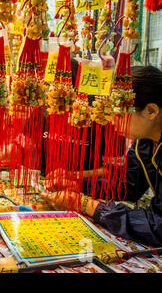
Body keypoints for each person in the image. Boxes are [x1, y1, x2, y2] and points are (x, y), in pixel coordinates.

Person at [42, 66, 162, 247]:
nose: (112, 121)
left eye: (119, 113)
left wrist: (88, 205)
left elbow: (158, 227)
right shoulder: (144, 142)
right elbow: (129, 185)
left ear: (151, 111)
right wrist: (77, 183)